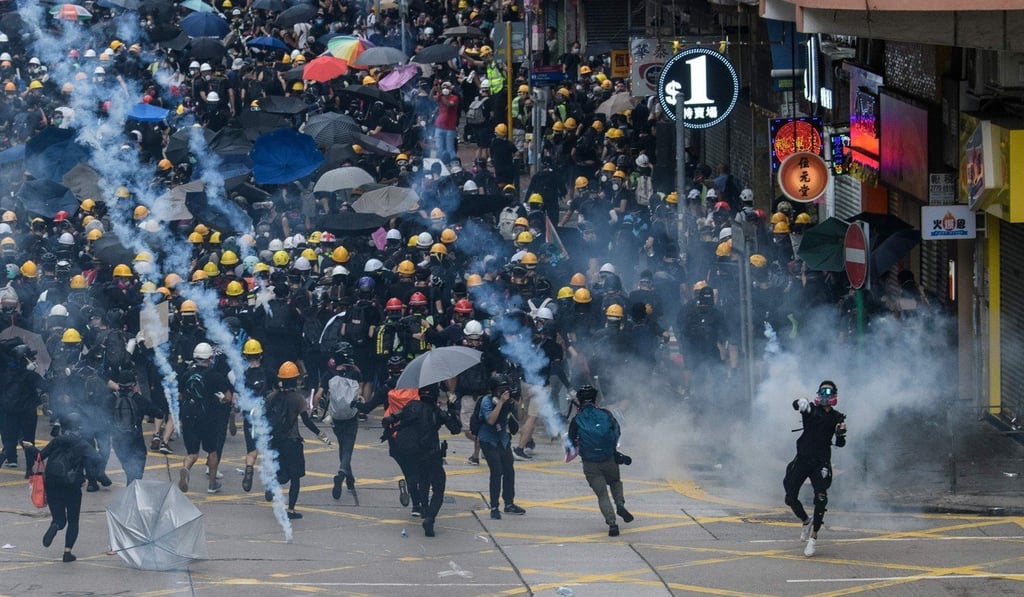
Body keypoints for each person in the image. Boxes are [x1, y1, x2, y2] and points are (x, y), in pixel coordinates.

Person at [21, 413, 104, 563]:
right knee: (73, 520)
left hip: (52, 482)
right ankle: (67, 552)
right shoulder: (83, 444)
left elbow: (40, 456)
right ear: (79, 427)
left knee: (60, 518)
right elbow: (97, 460)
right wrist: (89, 475)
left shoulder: (57, 441)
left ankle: (56, 524)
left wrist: (30, 447)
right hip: (72, 485)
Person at [381, 384, 461, 537]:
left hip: (415, 453)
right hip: (432, 453)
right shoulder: (438, 413)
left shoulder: (412, 407)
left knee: (422, 479)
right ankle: (430, 517)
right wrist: (451, 408)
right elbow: (456, 429)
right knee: (438, 488)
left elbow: (391, 418)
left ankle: (423, 508)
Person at [784, 380, 847, 557]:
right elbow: (797, 405)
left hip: (821, 462)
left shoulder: (837, 417)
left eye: (829, 394)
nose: (826, 397)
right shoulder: (811, 410)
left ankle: (814, 537)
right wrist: (800, 402)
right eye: (823, 393)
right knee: (789, 496)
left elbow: (840, 444)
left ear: (834, 396)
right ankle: (805, 520)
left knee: (821, 497)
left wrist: (841, 433)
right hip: (803, 459)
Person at [266, 361, 329, 519]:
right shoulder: (298, 399)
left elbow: (264, 415)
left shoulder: (273, 396)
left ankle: (272, 484)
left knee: (282, 471)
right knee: (295, 477)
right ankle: (291, 510)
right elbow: (307, 421)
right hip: (292, 442)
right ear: (296, 379)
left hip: (276, 441)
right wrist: (320, 434)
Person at [567, 385, 633, 536]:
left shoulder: (577, 419)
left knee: (602, 495)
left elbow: (570, 442)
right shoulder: (606, 414)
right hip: (609, 458)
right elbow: (617, 431)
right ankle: (620, 504)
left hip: (590, 463)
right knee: (615, 482)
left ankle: (612, 524)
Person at [177, 343, 233, 494]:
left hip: (188, 416)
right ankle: (212, 484)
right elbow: (228, 397)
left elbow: (181, 395)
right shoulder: (215, 375)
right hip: (208, 417)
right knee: (212, 451)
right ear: (210, 358)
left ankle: (186, 468)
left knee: (192, 453)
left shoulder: (186, 374)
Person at [477, 373, 526, 519]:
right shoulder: (486, 401)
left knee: (509, 471)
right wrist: (500, 403)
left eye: (506, 389)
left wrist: (519, 403)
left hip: (503, 440)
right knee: (496, 471)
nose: (504, 392)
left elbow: (520, 417)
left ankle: (509, 503)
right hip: (488, 440)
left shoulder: (509, 401)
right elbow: (491, 420)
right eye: (501, 390)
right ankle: (494, 506)